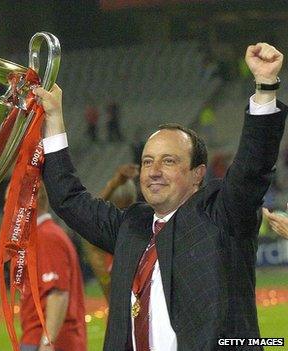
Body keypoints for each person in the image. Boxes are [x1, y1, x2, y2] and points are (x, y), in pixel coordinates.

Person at [34, 43, 285, 350]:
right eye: (148, 161)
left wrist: (265, 88)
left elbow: (252, 168)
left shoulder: (220, 215)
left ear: (197, 174)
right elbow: (68, 199)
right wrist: (55, 117)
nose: (153, 171)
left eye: (169, 161)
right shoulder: (132, 225)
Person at [19, 187, 86, 351]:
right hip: (42, 338)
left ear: (28, 204)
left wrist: (47, 343)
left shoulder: (46, 237)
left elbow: (57, 293)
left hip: (46, 341)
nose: (6, 209)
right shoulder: (45, 234)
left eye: (10, 202)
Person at [84, 163, 138, 302]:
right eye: (118, 211)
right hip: (121, 320)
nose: (122, 217)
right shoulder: (100, 254)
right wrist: (113, 185)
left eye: (127, 210)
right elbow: (90, 217)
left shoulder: (142, 241)